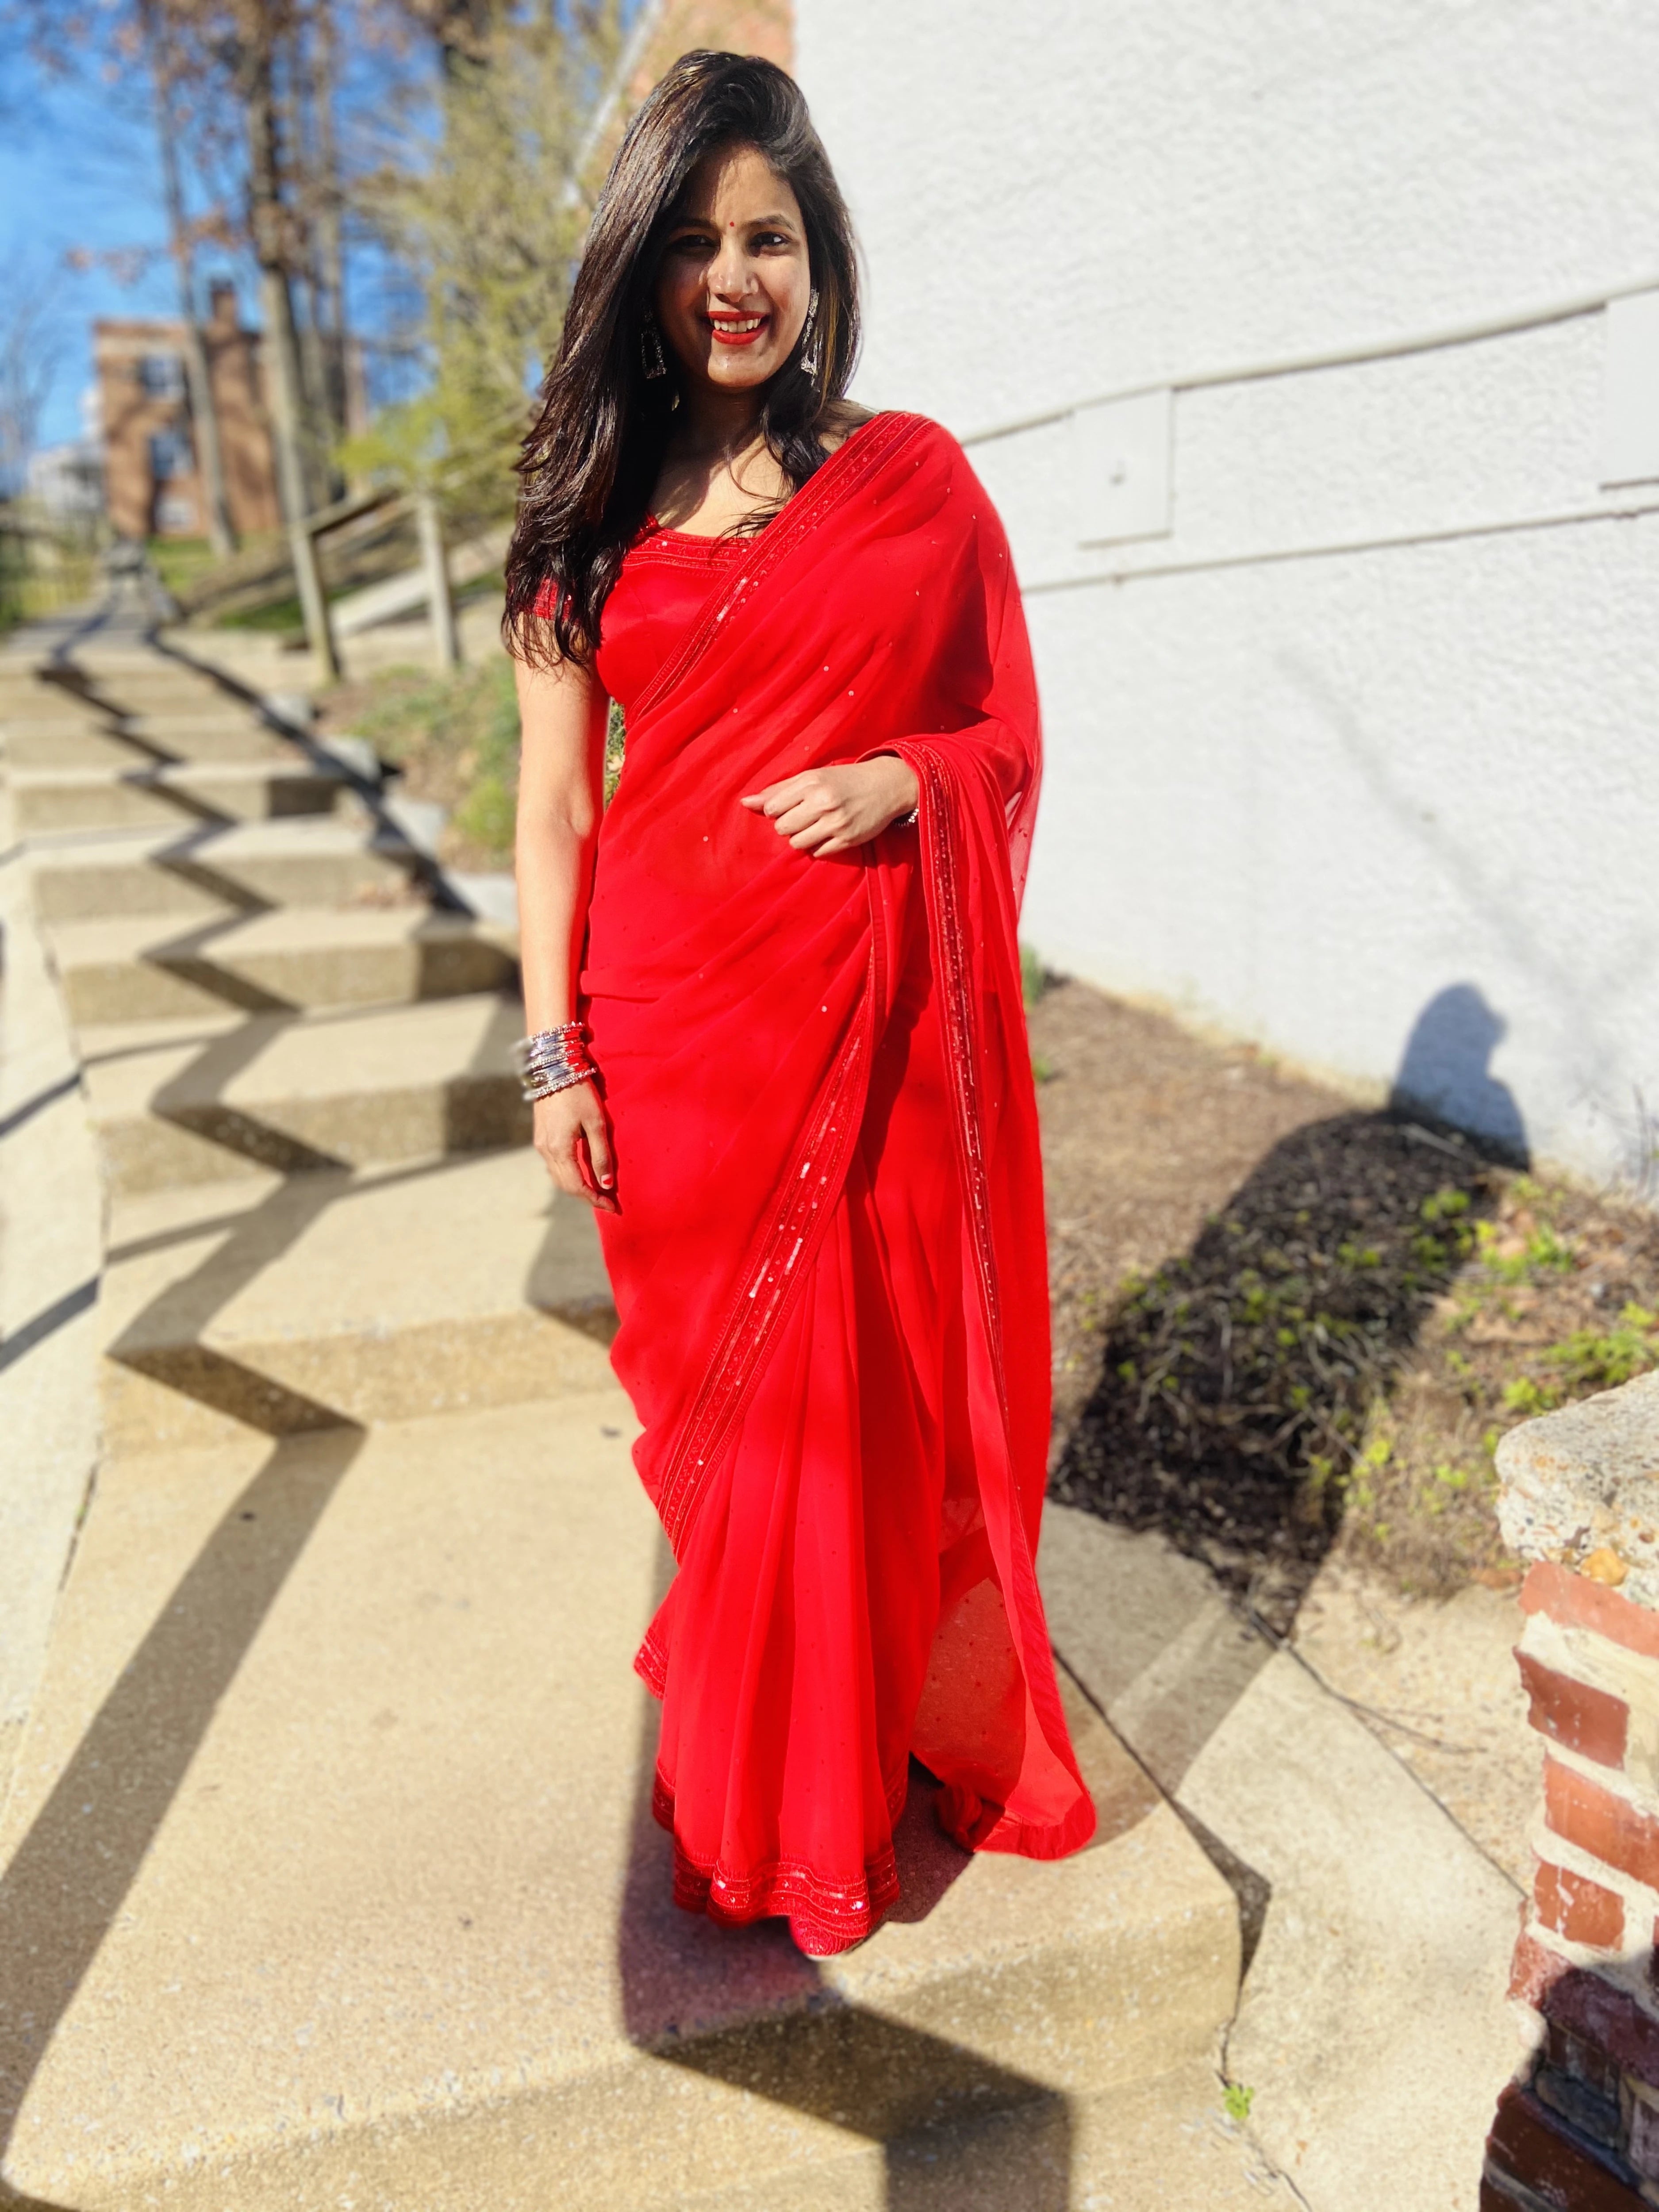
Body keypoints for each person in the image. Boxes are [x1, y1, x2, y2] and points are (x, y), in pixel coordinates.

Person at [504, 50, 1095, 1959]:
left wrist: (902, 779)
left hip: (849, 1028)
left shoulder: (901, 484)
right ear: (640, 272)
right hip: (667, 1045)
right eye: (690, 242)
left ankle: (816, 1811)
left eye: (764, 234)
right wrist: (550, 1055)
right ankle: (760, 1794)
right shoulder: (578, 521)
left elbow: (1000, 727)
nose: (730, 276)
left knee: (852, 1423)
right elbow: (549, 811)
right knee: (730, 1444)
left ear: (817, 259)